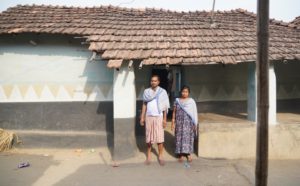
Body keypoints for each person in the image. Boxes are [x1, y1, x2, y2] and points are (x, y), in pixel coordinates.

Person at [140, 75, 170, 166]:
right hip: (149, 117)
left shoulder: (162, 92)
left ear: (158, 82)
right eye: (152, 81)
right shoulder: (146, 92)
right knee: (149, 137)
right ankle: (149, 155)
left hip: (159, 117)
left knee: (160, 138)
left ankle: (160, 156)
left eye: (155, 81)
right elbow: (144, 104)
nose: (153, 82)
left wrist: (165, 119)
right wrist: (142, 117)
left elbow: (165, 106)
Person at [171, 85, 198, 162]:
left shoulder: (191, 101)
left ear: (188, 93)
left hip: (189, 123)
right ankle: (181, 154)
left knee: (188, 137)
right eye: (183, 91)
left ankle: (188, 154)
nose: (184, 93)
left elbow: (194, 113)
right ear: (181, 92)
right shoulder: (177, 101)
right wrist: (173, 121)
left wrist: (195, 124)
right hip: (179, 122)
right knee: (179, 137)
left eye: (186, 92)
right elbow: (174, 111)